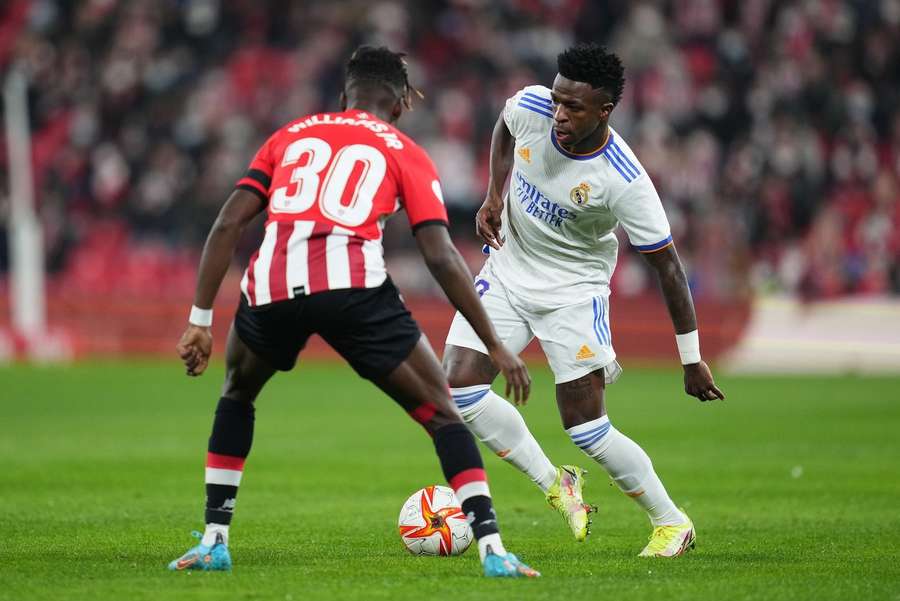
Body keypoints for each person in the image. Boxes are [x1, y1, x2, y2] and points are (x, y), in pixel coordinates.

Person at [168, 46, 539, 578]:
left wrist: (200, 320)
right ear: (403, 103)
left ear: (344, 95)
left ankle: (213, 539)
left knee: (237, 395)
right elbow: (438, 253)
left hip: (273, 284)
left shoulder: (288, 136)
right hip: (353, 288)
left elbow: (228, 223)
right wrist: (496, 344)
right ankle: (492, 550)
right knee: (441, 415)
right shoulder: (404, 149)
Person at [443, 42, 726, 557]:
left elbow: (668, 267)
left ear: (605, 110)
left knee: (587, 427)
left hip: (573, 293)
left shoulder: (623, 179)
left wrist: (691, 359)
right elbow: (504, 127)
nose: (559, 114)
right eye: (557, 99)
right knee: (458, 390)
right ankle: (557, 485)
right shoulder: (531, 107)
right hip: (507, 271)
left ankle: (671, 521)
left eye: (573, 107)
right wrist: (494, 191)